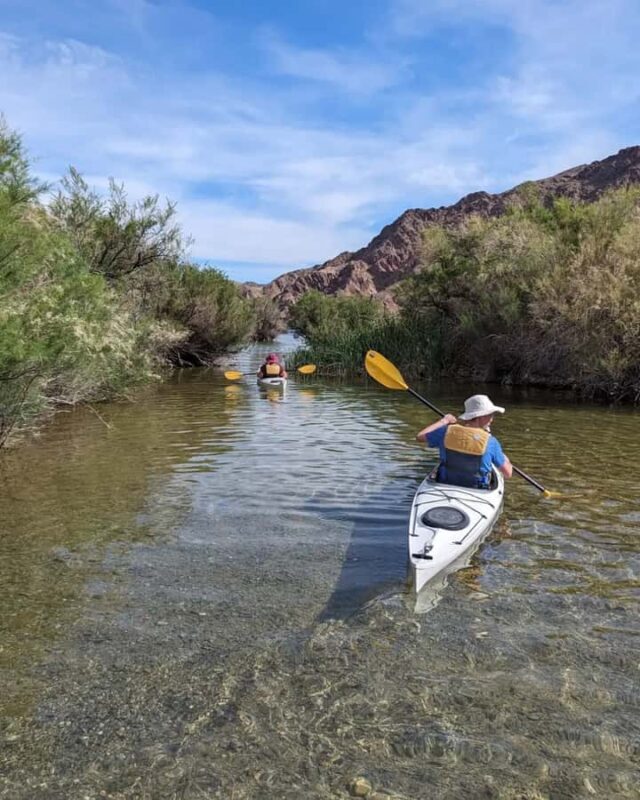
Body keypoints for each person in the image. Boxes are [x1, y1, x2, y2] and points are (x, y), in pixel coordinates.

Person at [416, 394, 512, 488]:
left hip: (444, 484)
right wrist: (503, 456)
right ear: (480, 417)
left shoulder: (446, 431)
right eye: (490, 415)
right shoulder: (491, 442)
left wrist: (444, 421)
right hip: (477, 489)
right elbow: (508, 473)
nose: (492, 419)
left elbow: (419, 437)